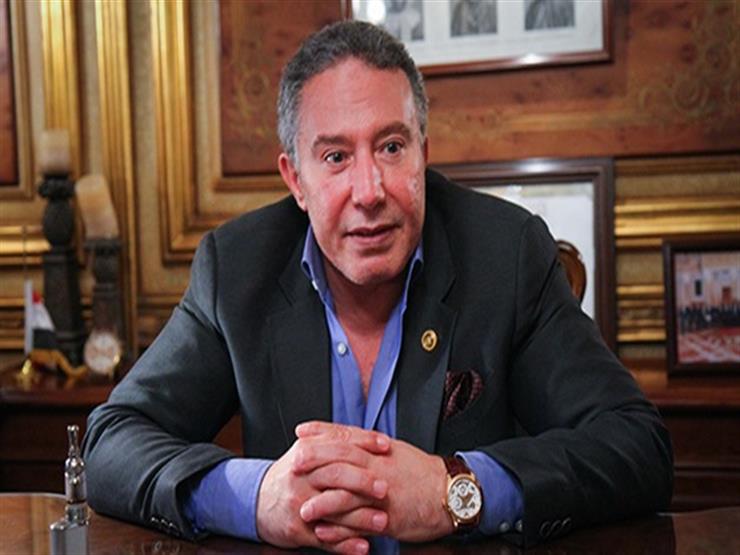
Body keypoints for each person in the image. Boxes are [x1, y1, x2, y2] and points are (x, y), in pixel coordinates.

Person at [82, 20, 673, 554]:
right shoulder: (237, 269)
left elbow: (637, 446)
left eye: (391, 147)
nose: (369, 191)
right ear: (296, 179)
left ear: (423, 154)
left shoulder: (507, 255)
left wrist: (455, 488)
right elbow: (112, 441)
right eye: (336, 157)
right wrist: (255, 497)